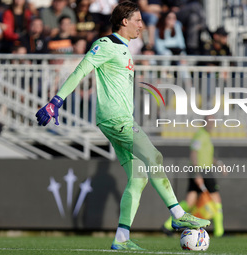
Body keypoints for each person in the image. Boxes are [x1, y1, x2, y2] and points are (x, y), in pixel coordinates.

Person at [35, 1, 210, 250]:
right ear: (124, 21)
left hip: (120, 120)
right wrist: (55, 101)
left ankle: (122, 238)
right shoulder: (105, 45)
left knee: (138, 178)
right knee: (155, 157)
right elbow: (80, 71)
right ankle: (178, 215)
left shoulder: (125, 49)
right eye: (138, 20)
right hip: (116, 120)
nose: (142, 24)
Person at [162, 115, 225, 238]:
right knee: (217, 202)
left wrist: (218, 163)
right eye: (209, 121)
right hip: (202, 171)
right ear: (204, 122)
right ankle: (219, 232)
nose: (212, 124)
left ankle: (167, 225)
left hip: (202, 170)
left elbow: (206, 156)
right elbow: (194, 154)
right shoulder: (200, 135)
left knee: (189, 202)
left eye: (213, 122)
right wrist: (197, 173)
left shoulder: (206, 136)